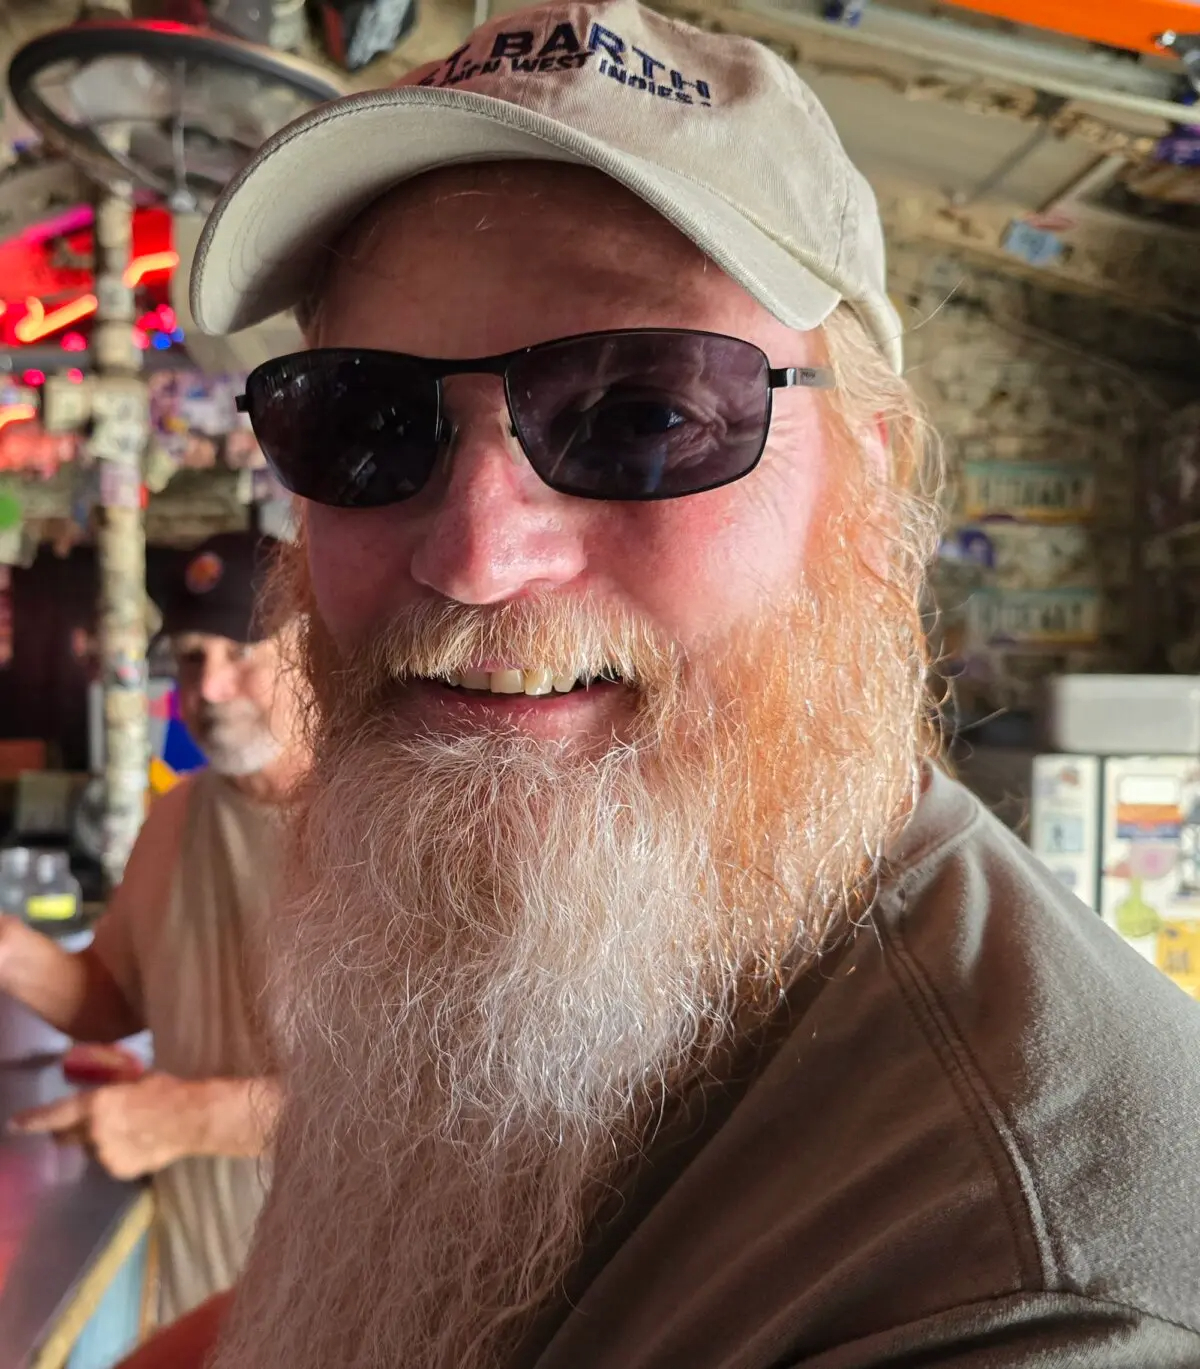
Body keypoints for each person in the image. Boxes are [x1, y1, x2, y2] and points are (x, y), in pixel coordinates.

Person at [135, 3, 1200, 1366]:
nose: (472, 557)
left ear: (868, 488)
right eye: (365, 420)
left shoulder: (1028, 1284)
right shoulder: (452, 934)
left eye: (644, 416)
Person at [2, 531, 304, 1326]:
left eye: (242, 653)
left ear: (316, 651)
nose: (209, 686)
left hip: (358, 1290)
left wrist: (181, 1115)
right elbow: (113, 1001)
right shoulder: (178, 817)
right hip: (201, 1278)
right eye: (194, 657)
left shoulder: (388, 829)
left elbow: (426, 1108)